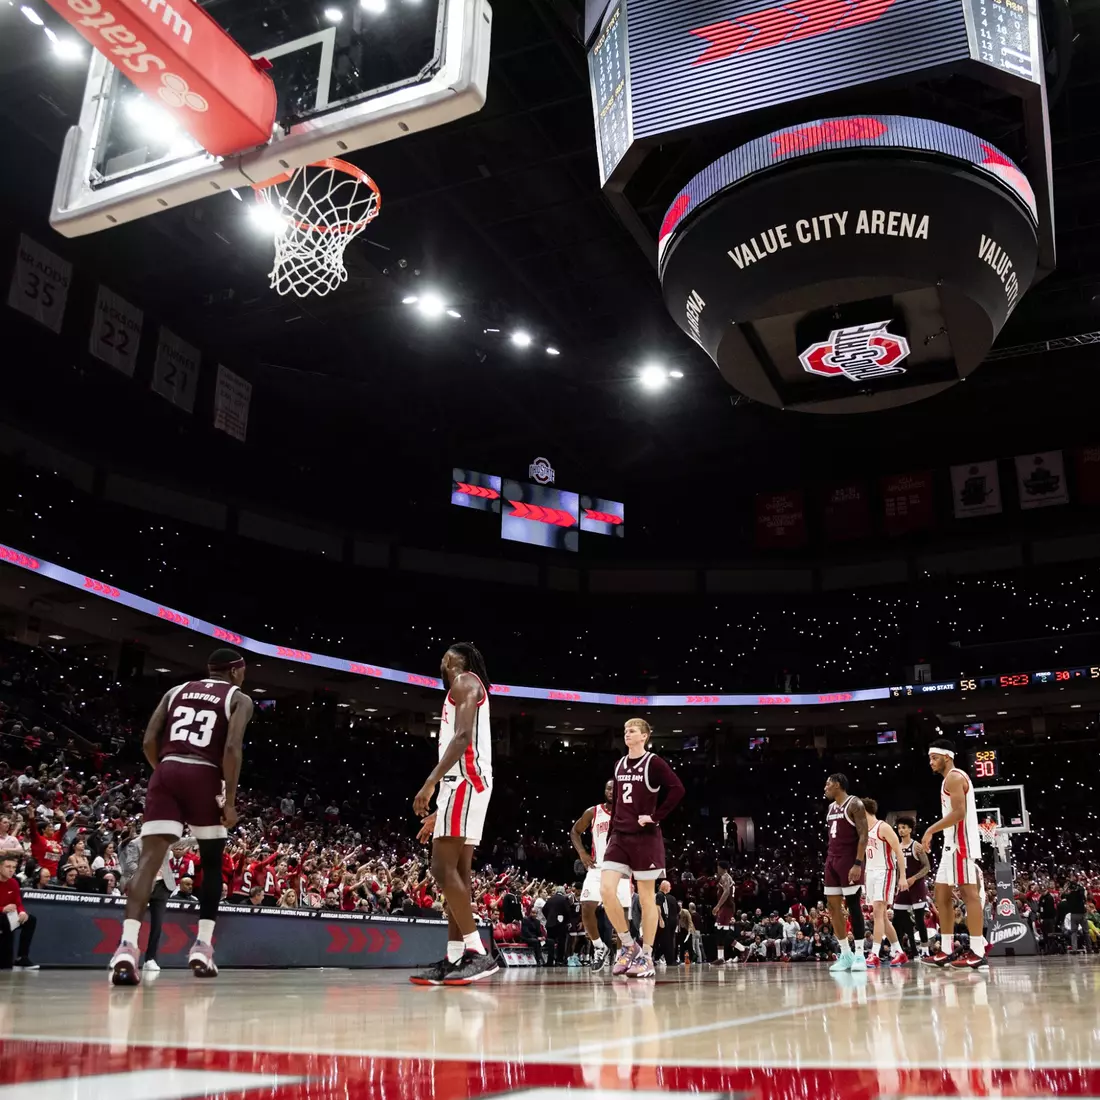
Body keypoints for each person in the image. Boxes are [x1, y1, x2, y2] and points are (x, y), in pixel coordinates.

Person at [108, 648, 253, 985]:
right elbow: (232, 749)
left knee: (148, 863)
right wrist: (230, 801)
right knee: (213, 863)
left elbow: (148, 740)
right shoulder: (239, 698)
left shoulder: (175, 691)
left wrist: (165, 773)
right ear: (235, 672)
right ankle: (202, 946)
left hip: (167, 770)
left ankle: (126, 947)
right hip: (204, 774)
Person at [411, 643, 498, 986]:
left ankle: (477, 952)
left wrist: (429, 783)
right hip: (463, 786)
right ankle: (455, 956)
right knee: (458, 874)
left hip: (464, 782)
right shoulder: (464, 687)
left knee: (440, 868)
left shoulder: (464, 681)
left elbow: (462, 738)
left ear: (451, 660)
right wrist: (440, 810)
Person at [601, 718, 685, 979]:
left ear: (644, 736)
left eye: (632, 731)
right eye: (625, 730)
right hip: (620, 835)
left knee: (646, 898)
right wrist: (612, 830)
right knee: (606, 890)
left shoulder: (654, 762)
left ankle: (646, 955)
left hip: (645, 838)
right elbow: (617, 801)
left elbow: (678, 789)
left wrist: (656, 816)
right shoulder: (619, 764)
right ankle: (628, 945)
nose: (627, 734)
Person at [921, 738, 986, 969]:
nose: (931, 762)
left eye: (934, 758)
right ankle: (947, 950)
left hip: (961, 844)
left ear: (947, 757)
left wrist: (930, 830)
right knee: (941, 894)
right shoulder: (948, 779)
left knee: (969, 895)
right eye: (930, 758)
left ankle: (978, 951)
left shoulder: (955, 777)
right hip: (951, 844)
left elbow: (959, 813)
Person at [570, 780, 631, 971]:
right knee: (586, 906)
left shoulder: (628, 812)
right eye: (608, 788)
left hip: (621, 868)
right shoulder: (593, 812)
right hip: (598, 868)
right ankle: (599, 947)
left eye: (615, 788)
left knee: (622, 915)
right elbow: (575, 832)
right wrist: (582, 853)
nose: (611, 791)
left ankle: (621, 956)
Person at [823, 773, 869, 972]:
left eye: (827, 784)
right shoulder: (830, 808)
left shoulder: (855, 804)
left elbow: (864, 835)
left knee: (853, 905)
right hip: (832, 858)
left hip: (849, 860)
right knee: (832, 907)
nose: (825, 788)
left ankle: (859, 954)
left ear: (838, 784)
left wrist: (858, 863)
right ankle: (845, 954)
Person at [860, 798, 909, 967]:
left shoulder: (883, 827)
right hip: (870, 872)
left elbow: (899, 852)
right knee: (881, 917)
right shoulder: (864, 829)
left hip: (885, 871)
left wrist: (903, 876)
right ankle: (900, 952)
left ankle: (874, 954)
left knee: (878, 912)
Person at [892, 817, 931, 956]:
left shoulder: (917, 846)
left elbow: (927, 867)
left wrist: (914, 878)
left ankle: (925, 949)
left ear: (910, 829)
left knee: (919, 920)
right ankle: (908, 949)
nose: (901, 830)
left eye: (904, 827)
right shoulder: (896, 847)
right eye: (899, 828)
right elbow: (897, 868)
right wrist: (896, 884)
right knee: (898, 918)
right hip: (903, 886)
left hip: (917, 886)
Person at [0, 852, 37, 970]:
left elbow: (18, 902)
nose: (11, 870)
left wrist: (21, 912)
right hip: (2, 915)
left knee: (30, 920)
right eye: (8, 867)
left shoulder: (14, 883)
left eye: (14, 867)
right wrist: (2, 909)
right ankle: (5, 960)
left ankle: (22, 957)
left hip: (7, 916)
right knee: (5, 920)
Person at [713, 859, 745, 964]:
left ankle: (743, 949)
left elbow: (726, 892)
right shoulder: (726, 877)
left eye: (718, 868)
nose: (717, 869)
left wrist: (717, 906)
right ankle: (720, 958)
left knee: (723, 933)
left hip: (726, 907)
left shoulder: (725, 877)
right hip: (725, 908)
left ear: (722, 868)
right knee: (719, 933)